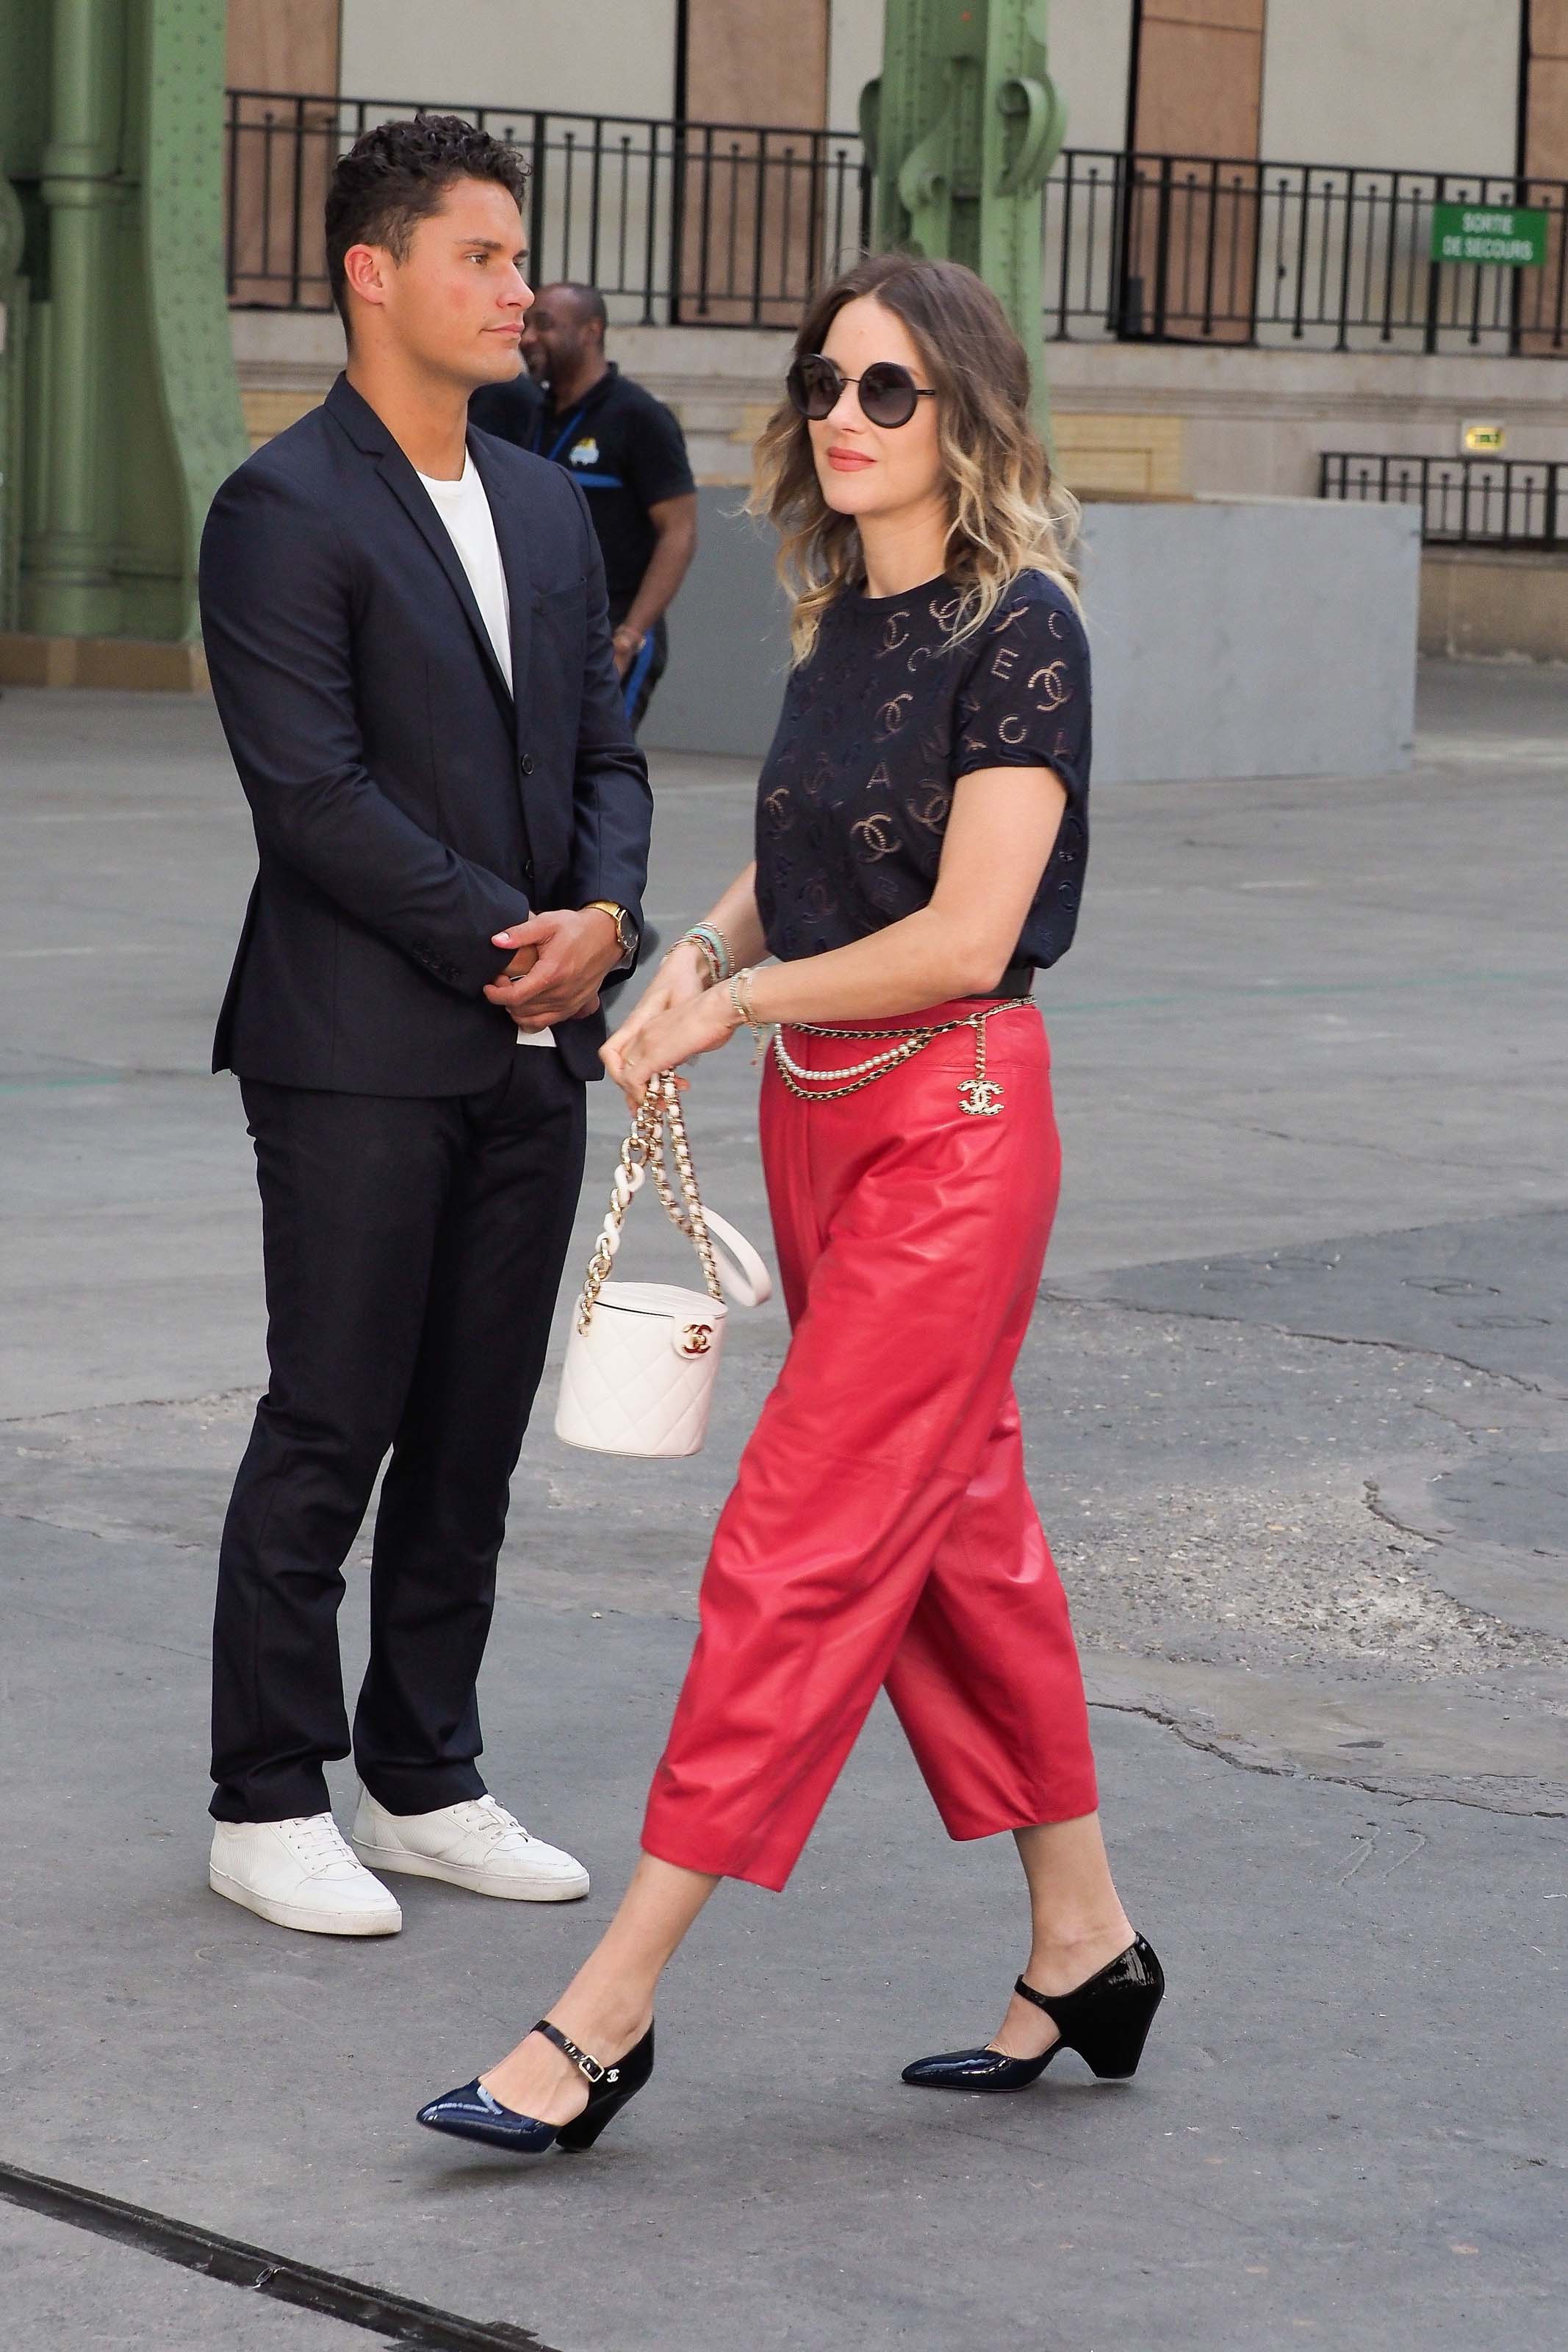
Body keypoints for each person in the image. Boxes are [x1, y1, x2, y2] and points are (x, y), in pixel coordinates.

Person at [415, 253, 1162, 2155]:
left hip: (955, 1133)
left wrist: (740, 1000)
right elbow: (803, 875)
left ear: (967, 417)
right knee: (956, 1533)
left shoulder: (1023, 631)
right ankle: (1082, 1940)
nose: (842, 415)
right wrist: (695, 959)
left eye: (887, 391)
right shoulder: (844, 621)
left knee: (798, 1543)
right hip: (823, 1132)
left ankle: (608, 2012)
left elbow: (968, 929)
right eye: (824, 380)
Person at [198, 113, 651, 1937]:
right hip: (353, 1045)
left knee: (471, 1428)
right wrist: (511, 938)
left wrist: (603, 925)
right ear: (369, 273)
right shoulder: (279, 509)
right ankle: (262, 1796)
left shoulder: (544, 500)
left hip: (534, 1047)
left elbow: (601, 752)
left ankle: (422, 1774)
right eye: (480, 256)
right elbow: (307, 796)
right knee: (335, 1413)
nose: (515, 288)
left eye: (518, 256)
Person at [468, 282, 697, 731]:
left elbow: (680, 532)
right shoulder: (535, 414)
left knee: (595, 778)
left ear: (592, 331)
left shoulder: (638, 417)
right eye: (528, 325)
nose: (528, 337)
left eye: (545, 325)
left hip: (612, 636)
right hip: (544, 633)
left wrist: (628, 639)